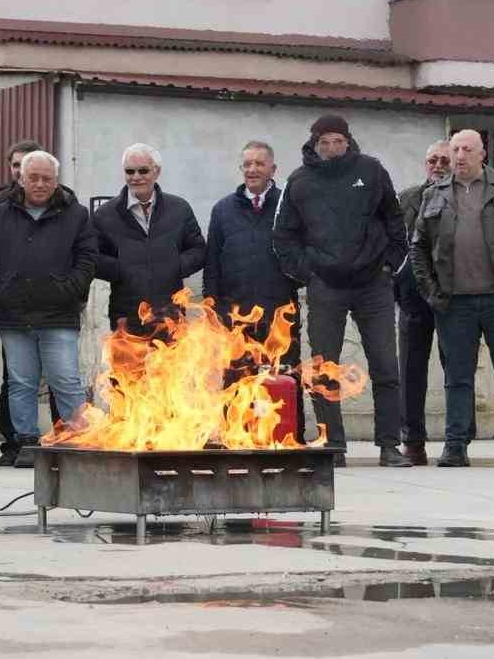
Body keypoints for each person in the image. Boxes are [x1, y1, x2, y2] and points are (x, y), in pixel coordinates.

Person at [273, 114, 409, 466]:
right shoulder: (299, 181)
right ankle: (332, 444)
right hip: (326, 287)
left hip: (373, 285)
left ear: (348, 141)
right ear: (314, 144)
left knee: (385, 365)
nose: (332, 148)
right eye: (324, 142)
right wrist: (309, 274)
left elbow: (396, 222)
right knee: (323, 369)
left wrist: (389, 265)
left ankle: (390, 445)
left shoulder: (372, 171)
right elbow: (284, 235)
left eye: (338, 141)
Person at [409, 128, 494, 468]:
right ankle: (455, 447)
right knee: (457, 378)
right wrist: (430, 291)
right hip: (454, 303)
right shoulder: (434, 193)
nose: (460, 156)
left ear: (483, 153)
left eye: (468, 149)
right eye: (455, 150)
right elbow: (418, 247)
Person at [0, 150, 96, 469]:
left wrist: (69, 289)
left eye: (47, 178)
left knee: (66, 379)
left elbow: (86, 259)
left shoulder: (76, 214)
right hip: (14, 316)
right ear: (21, 178)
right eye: (34, 177)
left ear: (57, 181)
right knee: (21, 382)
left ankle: (77, 441)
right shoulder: (0, 213)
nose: (40, 184)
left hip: (59, 315)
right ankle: (26, 442)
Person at [203, 140, 299, 369]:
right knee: (237, 391)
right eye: (247, 164)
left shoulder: (289, 207)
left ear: (273, 169)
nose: (252, 170)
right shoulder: (222, 210)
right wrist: (214, 310)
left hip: (279, 320)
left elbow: (302, 255)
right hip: (235, 320)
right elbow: (212, 264)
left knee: (282, 390)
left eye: (259, 164)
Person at [91, 143, 207, 330]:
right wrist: (121, 269)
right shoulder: (105, 214)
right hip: (126, 318)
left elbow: (199, 250)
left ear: (157, 172)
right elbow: (93, 257)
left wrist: (175, 266)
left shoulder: (179, 209)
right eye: (130, 171)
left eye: (143, 171)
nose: (136, 177)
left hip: (171, 317)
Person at [395, 140, 456, 464]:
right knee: (410, 372)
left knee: (456, 371)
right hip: (413, 298)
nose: (438, 165)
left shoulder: (463, 197)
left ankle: (456, 441)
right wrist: (395, 286)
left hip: (453, 298)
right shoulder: (407, 199)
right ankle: (413, 442)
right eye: (432, 160)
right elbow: (391, 246)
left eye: (444, 160)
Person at [0, 139, 50, 465]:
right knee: (14, 378)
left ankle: (64, 439)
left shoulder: (63, 204)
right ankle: (13, 442)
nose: (22, 171)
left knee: (59, 378)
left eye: (27, 164)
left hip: (54, 310)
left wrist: (72, 291)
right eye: (16, 165)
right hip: (12, 311)